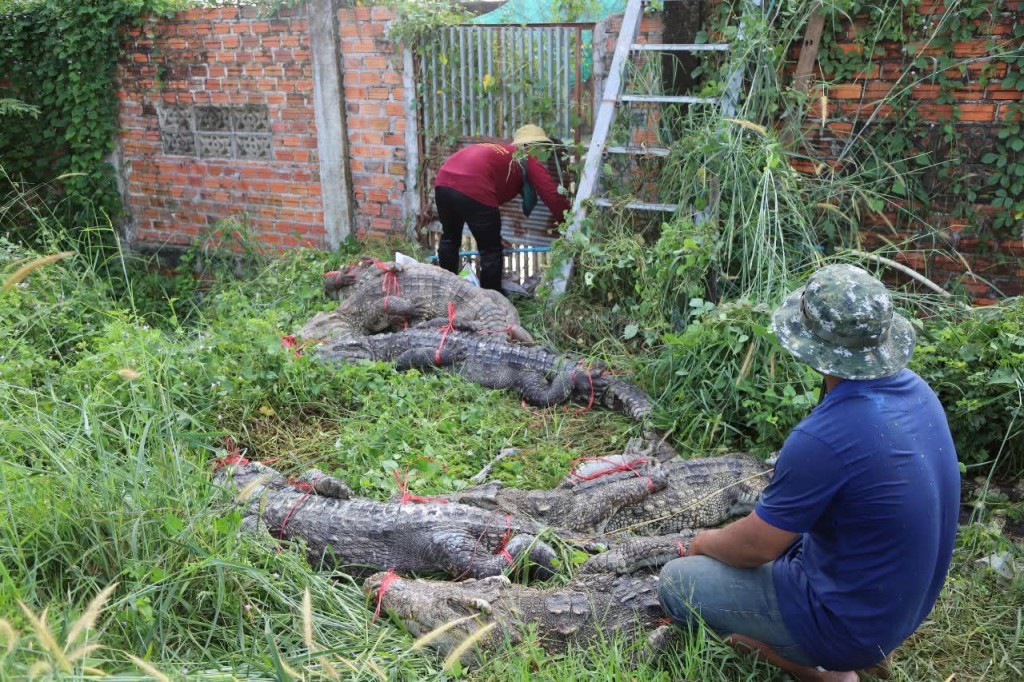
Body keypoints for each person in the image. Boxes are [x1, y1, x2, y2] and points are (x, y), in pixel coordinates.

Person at [658, 264, 960, 681]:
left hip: (850, 627)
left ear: (815, 346)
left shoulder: (825, 436)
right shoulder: (918, 392)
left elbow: (757, 547)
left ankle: (826, 673)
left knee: (676, 582)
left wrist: (702, 542)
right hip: (904, 610)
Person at [434, 124, 571, 293]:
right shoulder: (526, 158)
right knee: (490, 251)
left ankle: (445, 293)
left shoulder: (502, 152)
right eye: (543, 148)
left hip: (443, 181)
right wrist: (570, 222)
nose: (543, 154)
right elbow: (552, 195)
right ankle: (491, 304)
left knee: (450, 239)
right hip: (474, 185)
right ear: (532, 146)